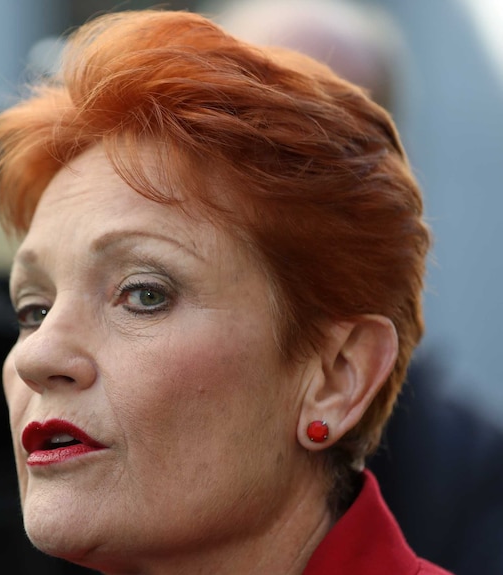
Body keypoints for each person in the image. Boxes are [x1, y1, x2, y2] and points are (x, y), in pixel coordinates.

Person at [0, 9, 451, 575]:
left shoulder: (470, 469)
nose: (36, 356)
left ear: (336, 376)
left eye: (143, 294)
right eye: (33, 309)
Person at [205, 2, 503, 573]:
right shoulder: (82, 412)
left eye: (327, 142)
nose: (281, 175)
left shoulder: (464, 468)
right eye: (243, 125)